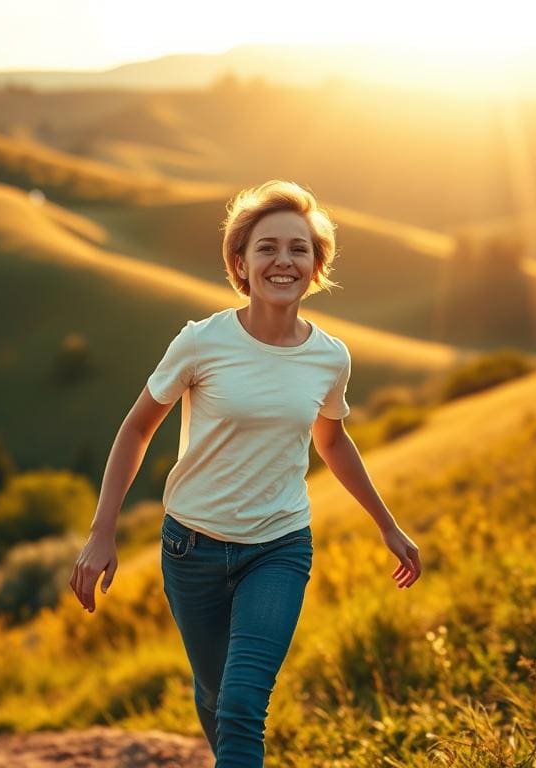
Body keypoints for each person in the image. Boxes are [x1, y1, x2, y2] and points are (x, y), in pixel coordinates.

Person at [69, 179, 421, 766]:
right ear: (241, 262)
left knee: (240, 704)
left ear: (316, 267)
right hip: (191, 549)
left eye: (299, 249)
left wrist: (388, 525)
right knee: (213, 694)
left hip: (278, 549)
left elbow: (332, 440)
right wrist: (102, 532)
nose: (283, 260)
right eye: (267, 247)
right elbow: (136, 429)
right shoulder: (202, 342)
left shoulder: (331, 357)